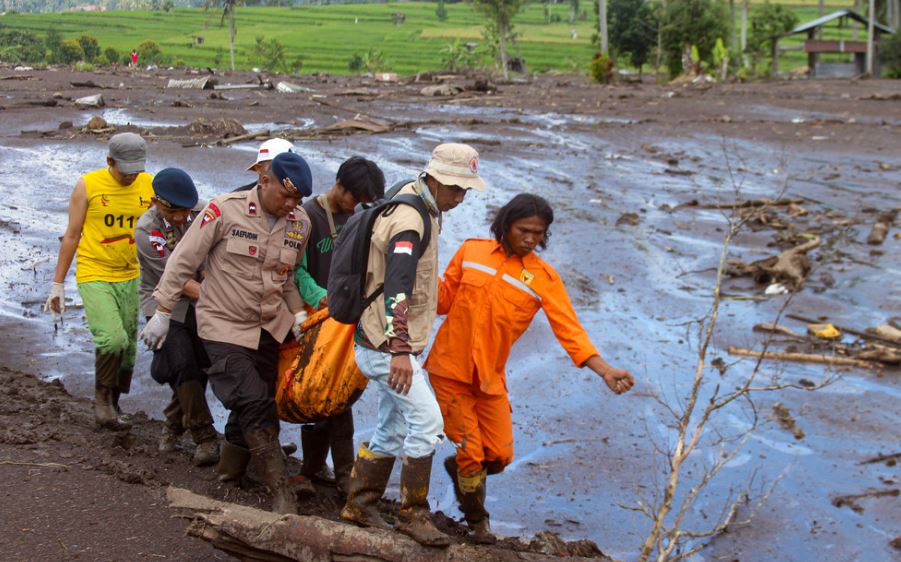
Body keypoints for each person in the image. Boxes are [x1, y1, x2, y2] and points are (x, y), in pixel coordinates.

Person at [425, 193, 636, 544]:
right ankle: (478, 525)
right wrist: (408, 285)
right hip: (449, 367)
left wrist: (604, 370)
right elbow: (443, 298)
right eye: (525, 230)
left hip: (490, 377)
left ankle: (462, 469)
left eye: (539, 233)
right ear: (506, 225)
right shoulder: (471, 252)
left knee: (501, 454)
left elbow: (569, 329)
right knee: (473, 452)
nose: (531, 238)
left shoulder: (542, 278)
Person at [142, 152, 314, 514]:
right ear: (264, 181)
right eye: (286, 196)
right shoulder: (223, 211)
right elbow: (182, 262)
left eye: (298, 200)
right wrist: (161, 312)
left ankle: (229, 474)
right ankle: (281, 489)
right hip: (223, 324)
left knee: (255, 403)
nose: (292, 205)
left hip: (269, 326)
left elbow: (287, 278)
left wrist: (298, 313)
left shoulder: (300, 223)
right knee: (252, 400)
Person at [339, 143, 486, 547]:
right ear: (435, 178)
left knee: (393, 425)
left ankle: (360, 503)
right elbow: (398, 286)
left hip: (381, 341)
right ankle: (413, 514)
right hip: (386, 347)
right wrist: (401, 350)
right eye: (456, 187)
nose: (461, 196)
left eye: (466, 190)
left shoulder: (418, 199)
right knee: (428, 423)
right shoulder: (410, 220)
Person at [44, 132, 154, 430]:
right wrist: (58, 284)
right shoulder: (88, 185)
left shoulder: (148, 184)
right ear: (109, 161)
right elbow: (72, 234)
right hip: (95, 272)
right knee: (111, 338)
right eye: (125, 169)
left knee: (128, 346)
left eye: (137, 170)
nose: (132, 176)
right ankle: (102, 400)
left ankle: (115, 402)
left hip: (131, 275)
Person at [293, 156, 386, 494]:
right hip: (316, 316)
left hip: (346, 319)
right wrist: (323, 297)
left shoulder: (359, 217)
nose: (357, 206)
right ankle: (314, 469)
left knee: (342, 392)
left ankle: (342, 472)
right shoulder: (306, 216)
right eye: (354, 198)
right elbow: (296, 270)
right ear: (339, 185)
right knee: (317, 390)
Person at [135, 168, 219, 467]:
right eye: (176, 211)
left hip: (201, 296)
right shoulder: (147, 230)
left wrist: (213, 284)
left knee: (204, 364)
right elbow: (175, 279)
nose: (183, 217)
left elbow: (212, 257)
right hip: (163, 301)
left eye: (187, 210)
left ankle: (173, 423)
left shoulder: (201, 212)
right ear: (158, 202)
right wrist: (218, 298)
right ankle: (205, 436)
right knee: (182, 363)